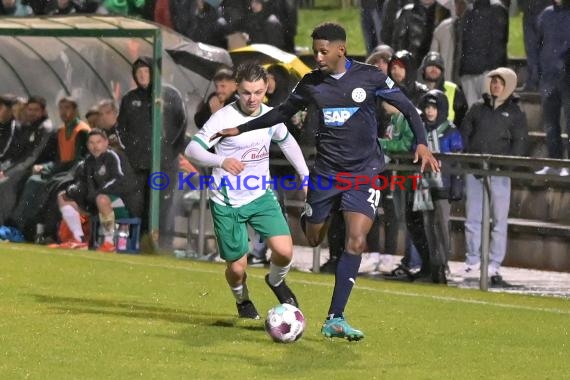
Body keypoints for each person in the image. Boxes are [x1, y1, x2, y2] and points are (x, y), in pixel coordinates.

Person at [211, 23, 439, 341]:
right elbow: (281, 113)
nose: (317, 56)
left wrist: (422, 142)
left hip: (363, 173)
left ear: (340, 50)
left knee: (356, 240)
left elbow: (408, 108)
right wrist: (242, 128)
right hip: (327, 174)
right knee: (315, 237)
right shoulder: (311, 84)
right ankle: (312, 218)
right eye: (315, 50)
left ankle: (335, 317)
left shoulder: (370, 77)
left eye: (323, 51)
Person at [185, 63, 310, 319]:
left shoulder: (270, 115)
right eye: (246, 93)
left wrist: (306, 175)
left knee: (285, 251)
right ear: (236, 90)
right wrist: (221, 161)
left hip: (260, 195)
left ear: (266, 89)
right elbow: (192, 150)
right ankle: (242, 301)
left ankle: (276, 282)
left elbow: (287, 142)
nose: (252, 98)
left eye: (258, 92)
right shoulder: (223, 119)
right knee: (238, 268)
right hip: (227, 201)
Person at [459, 67, 528, 286]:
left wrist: (504, 166)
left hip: (499, 174)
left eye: (500, 82)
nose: (496, 85)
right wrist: (471, 162)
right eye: (493, 82)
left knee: (499, 220)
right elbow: (465, 135)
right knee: (473, 218)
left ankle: (494, 263)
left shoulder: (515, 113)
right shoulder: (477, 108)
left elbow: (520, 143)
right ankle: (473, 260)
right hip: (476, 171)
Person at [52, 129, 137, 251]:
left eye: (98, 142)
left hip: (120, 202)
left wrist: (99, 192)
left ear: (106, 143)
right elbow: (83, 184)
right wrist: (73, 191)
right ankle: (78, 239)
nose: (95, 146)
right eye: (91, 143)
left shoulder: (114, 156)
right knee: (63, 197)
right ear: (87, 145)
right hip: (94, 203)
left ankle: (109, 242)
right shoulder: (88, 162)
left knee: (101, 198)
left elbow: (121, 179)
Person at [419, 90, 464, 283]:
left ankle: (443, 265)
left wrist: (456, 186)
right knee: (428, 226)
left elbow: (457, 162)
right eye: (427, 107)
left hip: (443, 185)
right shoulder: (420, 129)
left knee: (442, 226)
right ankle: (434, 265)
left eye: (434, 107)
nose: (430, 111)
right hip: (423, 185)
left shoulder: (451, 131)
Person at [534, 0, 570, 176]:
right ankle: (554, 163)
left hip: (568, 77)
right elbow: (538, 43)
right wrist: (539, 71)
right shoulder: (546, 14)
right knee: (550, 123)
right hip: (548, 77)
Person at [419, 51, 468, 127]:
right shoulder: (416, 90)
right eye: (431, 65)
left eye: (438, 66)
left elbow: (463, 121)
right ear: (423, 69)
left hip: (447, 136)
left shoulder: (454, 90)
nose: (434, 69)